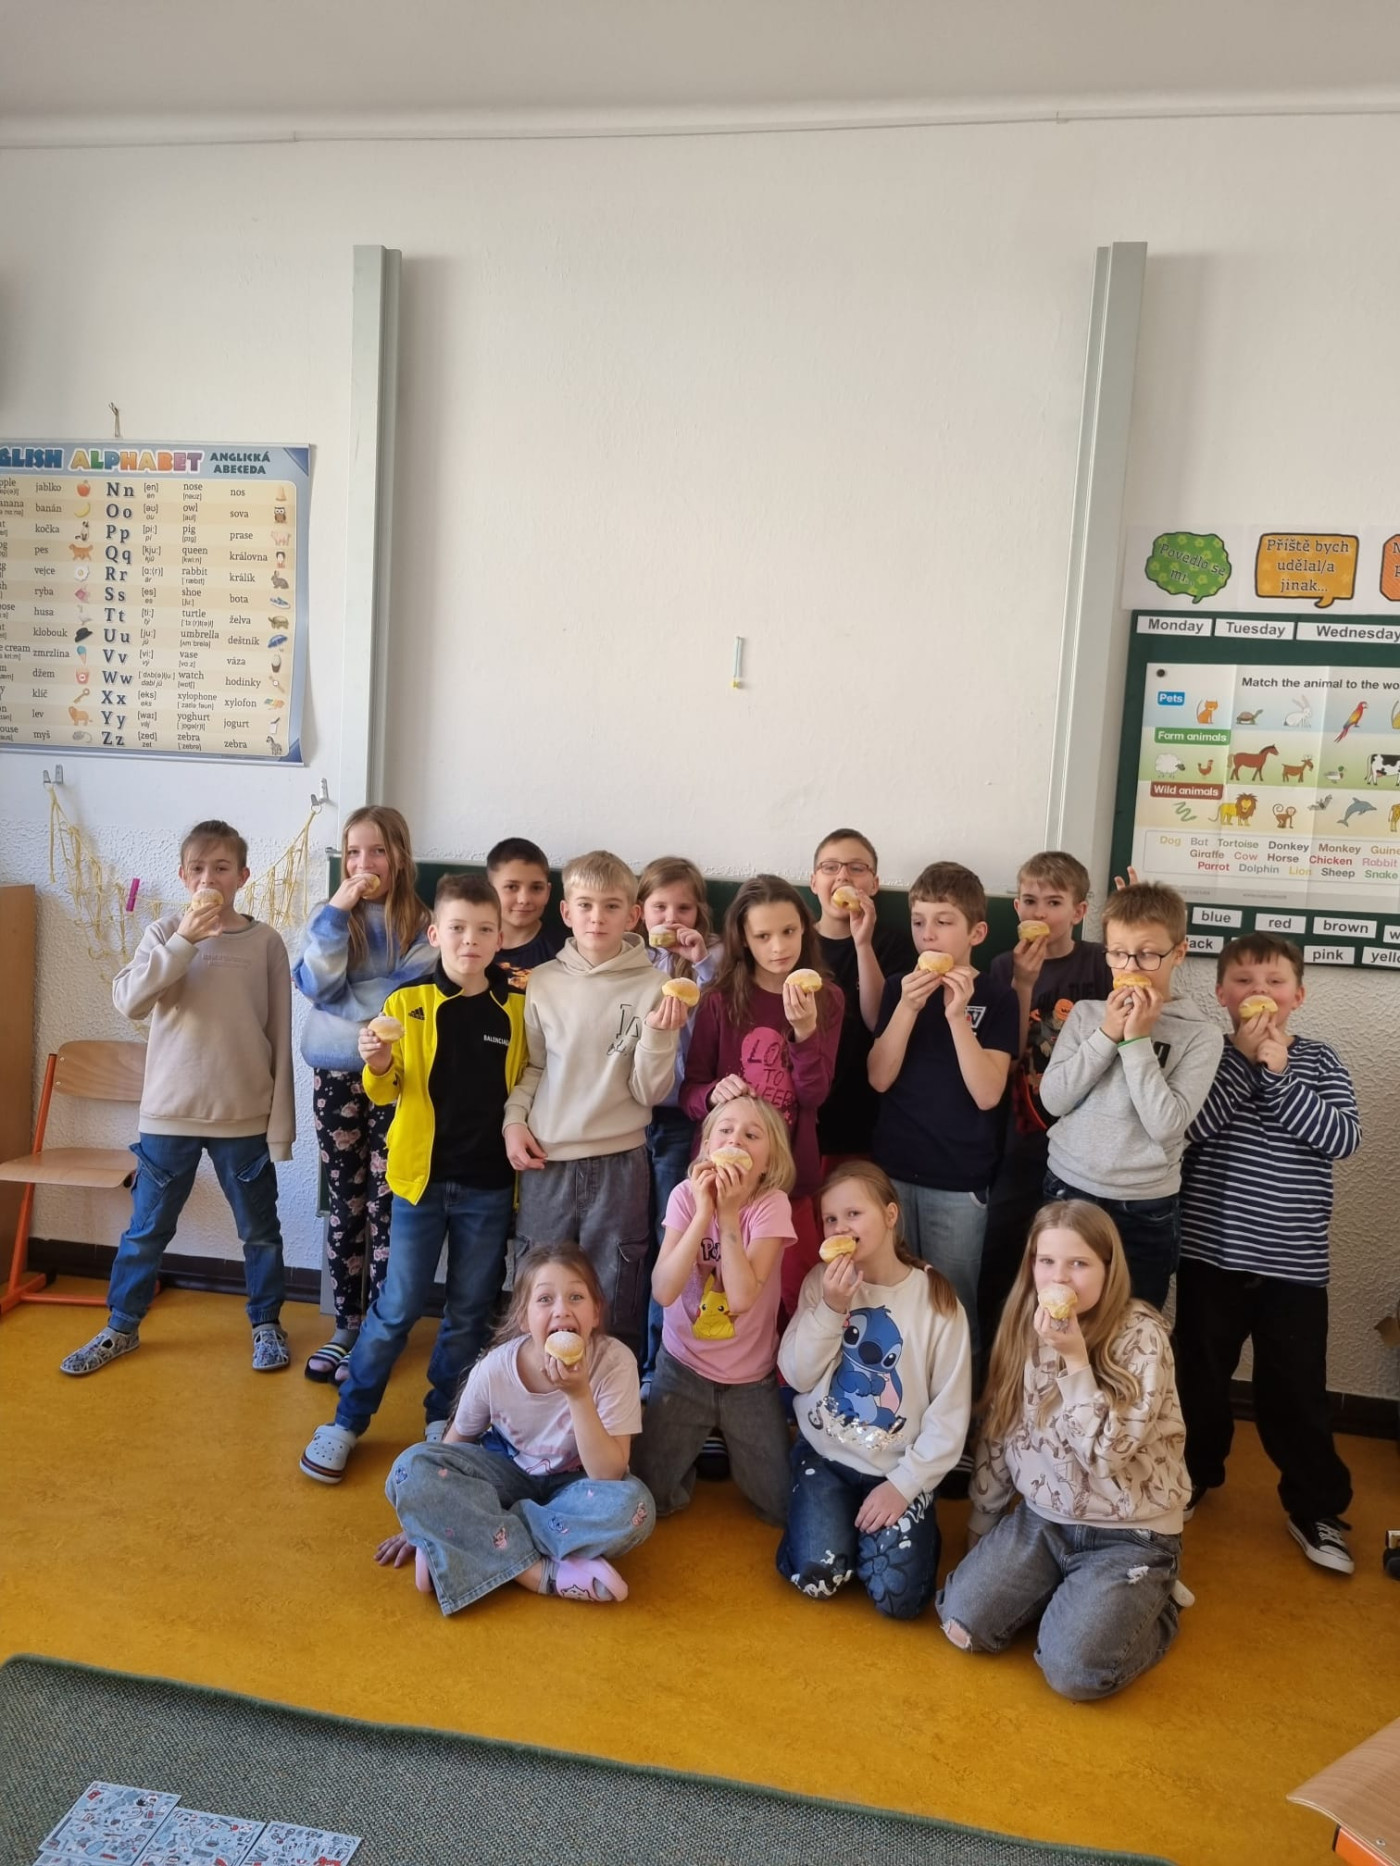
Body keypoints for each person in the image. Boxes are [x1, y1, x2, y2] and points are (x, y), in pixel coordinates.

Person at [299, 875, 526, 1481]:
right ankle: (347, 1420)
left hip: (488, 1187)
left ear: (500, 939)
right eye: (457, 928)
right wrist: (376, 1063)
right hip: (418, 1185)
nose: (470, 940)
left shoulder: (516, 1009)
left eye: (484, 930)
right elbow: (386, 1089)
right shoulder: (406, 1003)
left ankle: (443, 1416)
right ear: (435, 934)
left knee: (469, 1311)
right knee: (396, 1307)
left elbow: (524, 1084)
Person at [61, 820, 295, 1377]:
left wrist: (280, 1129)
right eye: (198, 868)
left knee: (260, 1232)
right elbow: (129, 1002)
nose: (209, 878)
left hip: (242, 1117)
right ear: (183, 876)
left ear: (242, 876)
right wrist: (184, 940)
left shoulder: (265, 942)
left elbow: (280, 1037)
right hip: (169, 1115)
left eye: (222, 868)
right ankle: (121, 1327)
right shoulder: (164, 933)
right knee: (146, 1230)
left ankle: (267, 1324)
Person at [938, 1200, 1190, 1700]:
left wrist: (1075, 1361)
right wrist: (983, 1522)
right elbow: (1001, 1426)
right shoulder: (1023, 1324)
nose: (1060, 1277)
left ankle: (1155, 1602)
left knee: (1073, 1673)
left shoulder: (1144, 1336)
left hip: (1130, 1531)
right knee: (962, 1622)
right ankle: (1075, 1595)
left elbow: (1106, 1457)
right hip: (1045, 1519)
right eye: (1047, 1261)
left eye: (1079, 1263)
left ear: (1109, 1269)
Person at [1177, 935, 1361, 1575]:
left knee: (1296, 1391)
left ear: (1298, 996)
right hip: (1210, 1256)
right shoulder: (1208, 1056)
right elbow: (1188, 1130)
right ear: (1222, 994)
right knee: (1199, 1380)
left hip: (1294, 1266)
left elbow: (1343, 1138)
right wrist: (1241, 1063)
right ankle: (1192, 1475)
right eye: (1245, 981)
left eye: (1274, 982)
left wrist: (1280, 1075)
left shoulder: (1320, 1059)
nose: (1260, 992)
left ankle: (1315, 1506)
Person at [373, 1244, 655, 1612]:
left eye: (576, 1297)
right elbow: (451, 1449)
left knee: (636, 1507)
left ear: (596, 1311)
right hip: (507, 1477)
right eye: (545, 1299)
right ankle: (539, 1574)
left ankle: (467, 1539)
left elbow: (608, 1474)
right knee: (410, 1468)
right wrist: (421, 1513)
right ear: (523, 1317)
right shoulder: (495, 1369)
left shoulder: (615, 1362)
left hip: (575, 1490)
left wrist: (579, 1395)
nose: (561, 1309)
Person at [503, 850, 688, 1357]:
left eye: (611, 906)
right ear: (566, 912)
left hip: (621, 1163)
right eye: (584, 905)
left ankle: (611, 1388)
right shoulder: (543, 980)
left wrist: (659, 1037)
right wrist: (514, 1121)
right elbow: (535, 1067)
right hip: (548, 1160)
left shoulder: (656, 986)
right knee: (539, 1282)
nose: (596, 917)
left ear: (633, 915)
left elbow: (649, 1092)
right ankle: (535, 1384)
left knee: (615, 1284)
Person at [776, 1164, 972, 1617]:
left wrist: (905, 1486)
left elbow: (948, 1417)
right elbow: (797, 1375)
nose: (841, 1227)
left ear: (889, 1215)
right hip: (826, 1456)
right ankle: (838, 1529)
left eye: (853, 1214)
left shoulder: (938, 1303)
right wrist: (832, 1308)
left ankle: (895, 1527)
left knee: (898, 1600)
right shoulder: (820, 1284)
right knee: (818, 1575)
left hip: (896, 1467)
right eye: (830, 1219)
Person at [293, 805, 433, 1382]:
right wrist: (336, 914)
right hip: (333, 1074)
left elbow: (405, 997)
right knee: (344, 1202)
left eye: (377, 851)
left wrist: (343, 1003)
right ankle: (345, 1327)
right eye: (353, 852)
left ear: (399, 856)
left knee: (387, 1204)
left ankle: (379, 1329)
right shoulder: (328, 917)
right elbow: (314, 983)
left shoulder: (422, 921)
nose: (364, 863)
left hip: (396, 1077)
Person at [1039, 880, 1222, 1309]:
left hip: (1144, 1207)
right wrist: (1108, 1033)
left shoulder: (1201, 1035)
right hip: (1068, 1190)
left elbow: (1167, 1126)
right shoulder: (1086, 1015)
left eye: (1147, 954)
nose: (1130, 966)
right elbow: (1054, 1100)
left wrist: (1137, 1040)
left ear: (1179, 952)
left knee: (1134, 1325)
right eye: (1118, 953)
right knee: (1058, 1314)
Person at [868, 861, 1018, 1367]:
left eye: (943, 921)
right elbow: (879, 1078)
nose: (927, 934)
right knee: (892, 1302)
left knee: (954, 1306)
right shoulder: (898, 988)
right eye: (918, 921)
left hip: (958, 1182)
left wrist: (957, 1017)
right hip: (893, 1173)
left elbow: (988, 1094)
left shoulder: (997, 998)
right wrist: (908, 1009)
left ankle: (960, 1407)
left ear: (977, 932)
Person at [632, 1095, 797, 1525]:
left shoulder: (772, 1204)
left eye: (751, 1134)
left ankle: (717, 1437)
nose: (735, 1139)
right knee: (648, 1496)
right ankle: (694, 1442)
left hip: (749, 1380)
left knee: (782, 1506)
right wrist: (703, 1209)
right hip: (682, 1368)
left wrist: (727, 1216)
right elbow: (663, 1290)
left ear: (768, 1162)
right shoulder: (685, 1196)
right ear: (706, 1146)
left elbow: (741, 1298)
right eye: (724, 1130)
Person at [681, 876, 842, 1314]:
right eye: (763, 936)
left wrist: (805, 1032)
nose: (778, 947)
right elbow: (690, 1094)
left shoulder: (826, 999)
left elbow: (814, 1094)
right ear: (743, 939)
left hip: (788, 1178)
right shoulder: (719, 1000)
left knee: (788, 1297)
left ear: (805, 929)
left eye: (788, 931)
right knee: (721, 1297)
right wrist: (713, 1093)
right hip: (723, 1179)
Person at [982, 851, 1112, 1358]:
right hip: (1018, 1135)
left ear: (1079, 911)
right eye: (1030, 901)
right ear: (1016, 907)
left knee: (1074, 1251)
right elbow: (1010, 1052)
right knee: (1007, 1252)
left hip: (1081, 1139)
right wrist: (1022, 984)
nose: (1040, 912)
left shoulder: (1100, 962)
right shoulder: (1002, 965)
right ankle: (1004, 1364)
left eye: (1054, 903)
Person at [636, 856, 720, 1393]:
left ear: (699, 913)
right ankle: (624, 1352)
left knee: (673, 1236)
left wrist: (701, 963)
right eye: (660, 907)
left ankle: (656, 1364)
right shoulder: (632, 959)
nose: (672, 918)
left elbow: (725, 1009)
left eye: (684, 908)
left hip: (681, 1118)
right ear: (639, 912)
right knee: (630, 1237)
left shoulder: (710, 961)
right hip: (628, 1114)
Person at [808, 827, 913, 1165]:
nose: (843, 876)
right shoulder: (793, 943)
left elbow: (879, 1021)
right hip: (802, 1120)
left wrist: (862, 943)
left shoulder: (893, 945)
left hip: (866, 1119)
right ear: (814, 882)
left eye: (856, 867)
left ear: (874, 884)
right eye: (830, 867)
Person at [487, 836, 564, 995]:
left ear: (547, 892)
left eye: (536, 888)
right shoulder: (470, 943)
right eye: (511, 887)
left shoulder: (564, 951)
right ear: (489, 890)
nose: (524, 899)